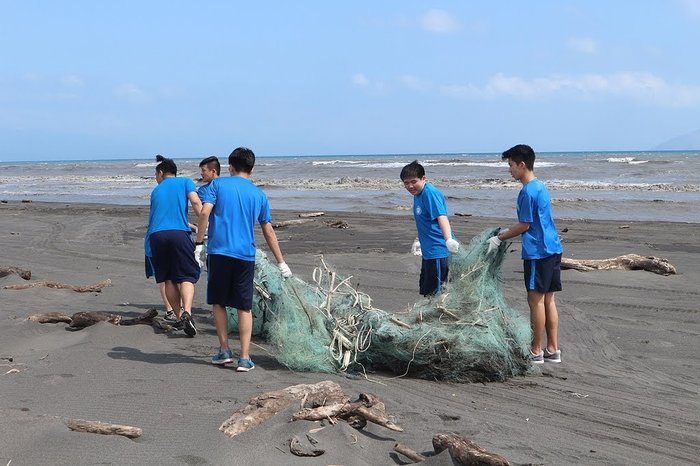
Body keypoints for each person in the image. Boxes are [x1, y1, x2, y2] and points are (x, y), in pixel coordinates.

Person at [195, 147, 292, 371]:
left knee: (219, 302)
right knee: (244, 307)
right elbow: (268, 230)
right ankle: (245, 357)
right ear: (251, 167)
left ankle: (224, 350)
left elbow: (204, 212)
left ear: (230, 166)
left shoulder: (217, 185)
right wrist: (281, 262)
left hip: (219, 252)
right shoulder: (259, 194)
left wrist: (198, 245)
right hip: (245, 256)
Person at [487, 144, 563, 364]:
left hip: (538, 253)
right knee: (549, 299)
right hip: (553, 248)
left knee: (535, 301)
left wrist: (500, 237)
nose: (509, 170)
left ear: (522, 164)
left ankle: (536, 350)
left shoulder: (527, 191)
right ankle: (553, 349)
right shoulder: (541, 186)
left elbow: (525, 225)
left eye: (510, 165)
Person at [145, 154, 202, 337]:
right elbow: (194, 201)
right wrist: (203, 220)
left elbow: (155, 218)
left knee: (168, 278)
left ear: (161, 173)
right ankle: (188, 313)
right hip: (178, 234)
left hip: (156, 236)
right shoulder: (185, 182)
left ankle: (179, 317)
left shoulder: (156, 191)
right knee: (186, 276)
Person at [400, 160, 459, 296]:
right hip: (428, 251)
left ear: (423, 178)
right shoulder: (417, 194)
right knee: (427, 291)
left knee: (437, 293)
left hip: (439, 251)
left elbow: (441, 217)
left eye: (414, 181)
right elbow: (425, 221)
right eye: (406, 183)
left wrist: (449, 239)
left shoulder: (430, 193)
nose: (410, 186)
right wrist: (419, 239)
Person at [194, 156, 220, 268]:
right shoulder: (202, 190)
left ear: (213, 171)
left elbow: (203, 213)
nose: (201, 173)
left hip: (212, 236)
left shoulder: (204, 191)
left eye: (203, 170)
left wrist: (198, 243)